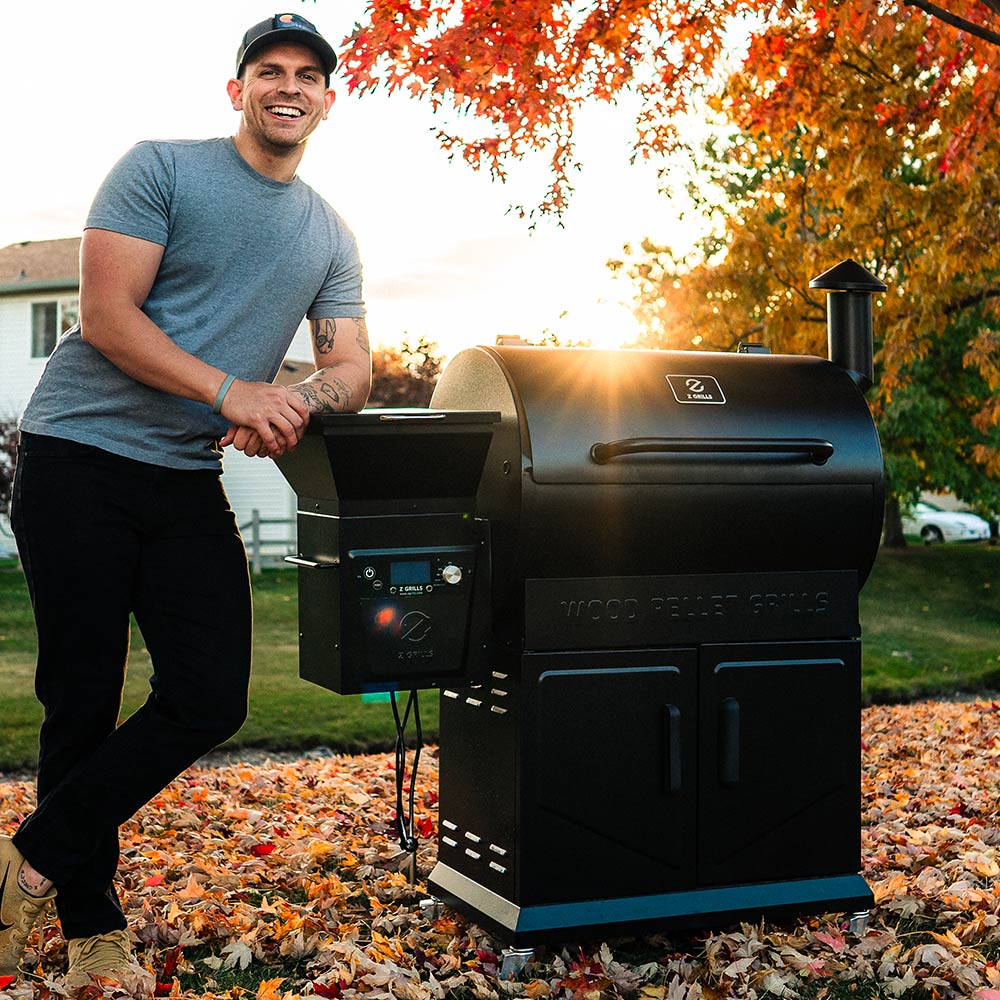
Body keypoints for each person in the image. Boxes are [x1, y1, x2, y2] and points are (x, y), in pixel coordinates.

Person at [0, 13, 371, 991]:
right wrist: (227, 391)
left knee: (211, 695)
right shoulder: (160, 169)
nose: (288, 87)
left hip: (180, 477)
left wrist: (293, 397)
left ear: (329, 100)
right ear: (237, 89)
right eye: (269, 71)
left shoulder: (328, 232)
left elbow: (353, 366)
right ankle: (92, 930)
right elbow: (106, 315)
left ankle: (33, 852)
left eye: (308, 75)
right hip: (78, 455)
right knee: (80, 698)